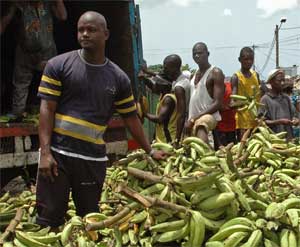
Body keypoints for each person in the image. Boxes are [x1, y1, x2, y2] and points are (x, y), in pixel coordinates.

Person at [36, 11, 166, 228]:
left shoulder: (118, 78)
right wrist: (46, 153)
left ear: (105, 34)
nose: (84, 34)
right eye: (81, 30)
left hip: (92, 160)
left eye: (91, 30)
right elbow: (46, 110)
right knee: (48, 221)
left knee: (91, 221)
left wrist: (149, 150)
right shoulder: (58, 65)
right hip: (59, 157)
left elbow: (131, 118)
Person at [0, 0, 67, 121]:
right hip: (25, 52)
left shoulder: (48, 4)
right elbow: (3, 25)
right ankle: (18, 113)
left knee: (53, 82)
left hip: (47, 51)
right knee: (20, 83)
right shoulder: (19, 5)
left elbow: (62, 16)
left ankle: (55, 111)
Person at [185, 42, 224, 144]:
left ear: (208, 54)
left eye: (200, 53)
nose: (197, 55)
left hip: (208, 117)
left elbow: (218, 103)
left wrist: (195, 118)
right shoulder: (193, 75)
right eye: (194, 54)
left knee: (201, 125)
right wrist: (190, 119)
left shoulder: (215, 73)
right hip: (193, 119)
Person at [258, 69, 299, 140]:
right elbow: (261, 122)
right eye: (279, 81)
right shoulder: (265, 99)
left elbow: (293, 116)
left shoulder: (286, 98)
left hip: (289, 138)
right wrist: (279, 122)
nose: (282, 83)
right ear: (271, 82)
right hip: (274, 140)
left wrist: (296, 121)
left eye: (283, 80)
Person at [231, 47, 261, 140]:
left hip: (257, 120)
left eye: (251, 59)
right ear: (240, 60)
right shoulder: (236, 77)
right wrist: (247, 102)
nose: (249, 62)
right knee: (244, 147)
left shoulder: (256, 75)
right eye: (246, 59)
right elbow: (233, 102)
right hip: (243, 122)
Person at [163, 55, 190, 145]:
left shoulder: (179, 87)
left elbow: (181, 114)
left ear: (173, 68)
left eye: (166, 68)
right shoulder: (182, 81)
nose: (164, 71)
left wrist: (177, 140)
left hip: (182, 128)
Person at [144, 77, 177, 143]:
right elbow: (152, 87)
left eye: (157, 84)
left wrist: (144, 114)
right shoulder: (162, 95)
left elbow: (160, 119)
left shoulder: (168, 99)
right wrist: (144, 79)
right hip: (161, 138)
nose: (155, 85)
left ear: (163, 86)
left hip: (168, 138)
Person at [213, 80, 236, 150]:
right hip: (220, 127)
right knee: (221, 151)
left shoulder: (230, 87)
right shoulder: (214, 90)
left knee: (233, 150)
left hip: (232, 125)